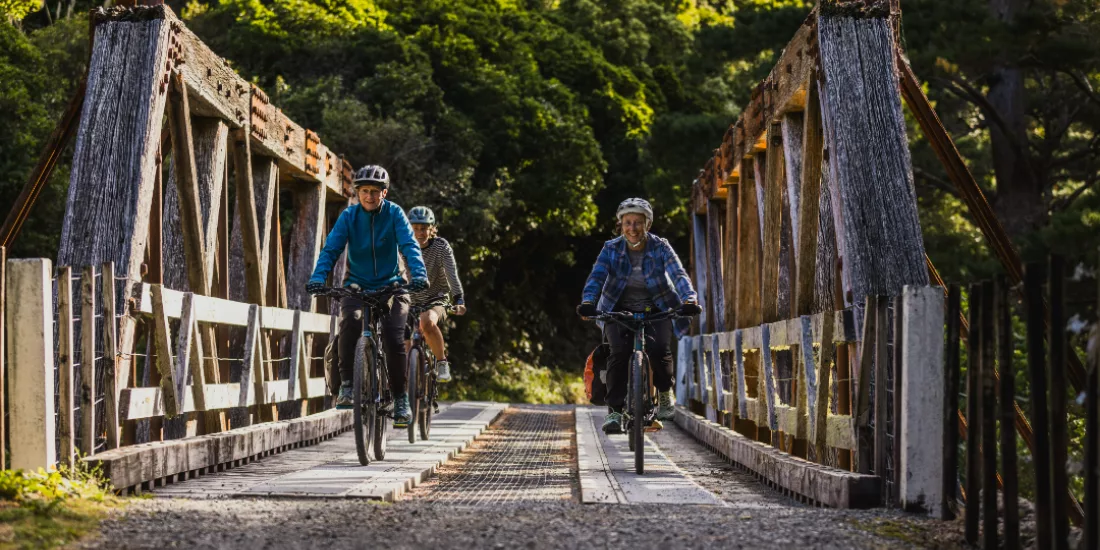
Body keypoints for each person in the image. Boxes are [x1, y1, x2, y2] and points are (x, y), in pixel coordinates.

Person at [306, 165, 429, 428]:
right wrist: (318, 277)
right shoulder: (349, 216)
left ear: (384, 193)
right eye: (364, 192)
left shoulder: (395, 214)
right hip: (357, 286)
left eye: (375, 192)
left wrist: (418, 274)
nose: (369, 197)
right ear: (356, 192)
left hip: (393, 287)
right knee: (350, 322)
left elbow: (409, 245)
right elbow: (331, 249)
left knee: (394, 337)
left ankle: (399, 400)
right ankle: (348, 386)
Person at [577, 198, 701, 434]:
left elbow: (678, 275)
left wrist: (689, 299)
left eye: (638, 223)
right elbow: (597, 277)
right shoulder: (611, 248)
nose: (632, 228)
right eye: (627, 223)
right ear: (620, 224)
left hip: (657, 307)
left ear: (648, 225)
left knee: (658, 350)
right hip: (618, 309)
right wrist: (588, 302)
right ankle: (614, 411)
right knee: (619, 353)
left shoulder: (660, 247)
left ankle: (664, 394)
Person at [406, 206, 466, 382]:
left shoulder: (440, 246)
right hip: (408, 300)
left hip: (436, 298)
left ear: (431, 228)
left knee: (427, 323)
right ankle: (407, 383)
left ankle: (441, 363)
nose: (419, 232)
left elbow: (451, 274)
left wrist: (459, 298)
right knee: (400, 337)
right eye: (415, 228)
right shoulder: (401, 246)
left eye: (424, 228)